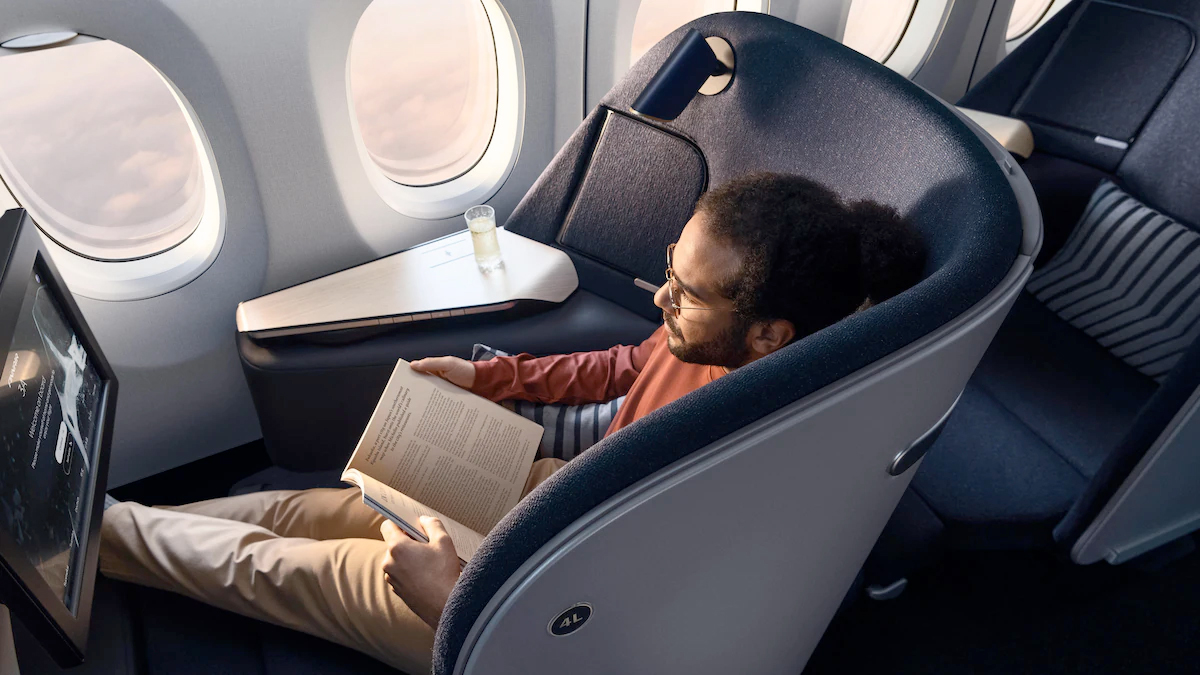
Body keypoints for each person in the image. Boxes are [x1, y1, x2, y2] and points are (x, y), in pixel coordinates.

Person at [99, 172, 925, 673]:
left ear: (769, 334)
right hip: (567, 500)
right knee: (321, 507)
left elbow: (638, 624)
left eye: (686, 292)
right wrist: (489, 377)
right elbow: (628, 367)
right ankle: (107, 530)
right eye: (671, 270)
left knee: (296, 568)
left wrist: (457, 598)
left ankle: (80, 536)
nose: (660, 296)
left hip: (554, 590)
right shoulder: (708, 341)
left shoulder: (755, 458)